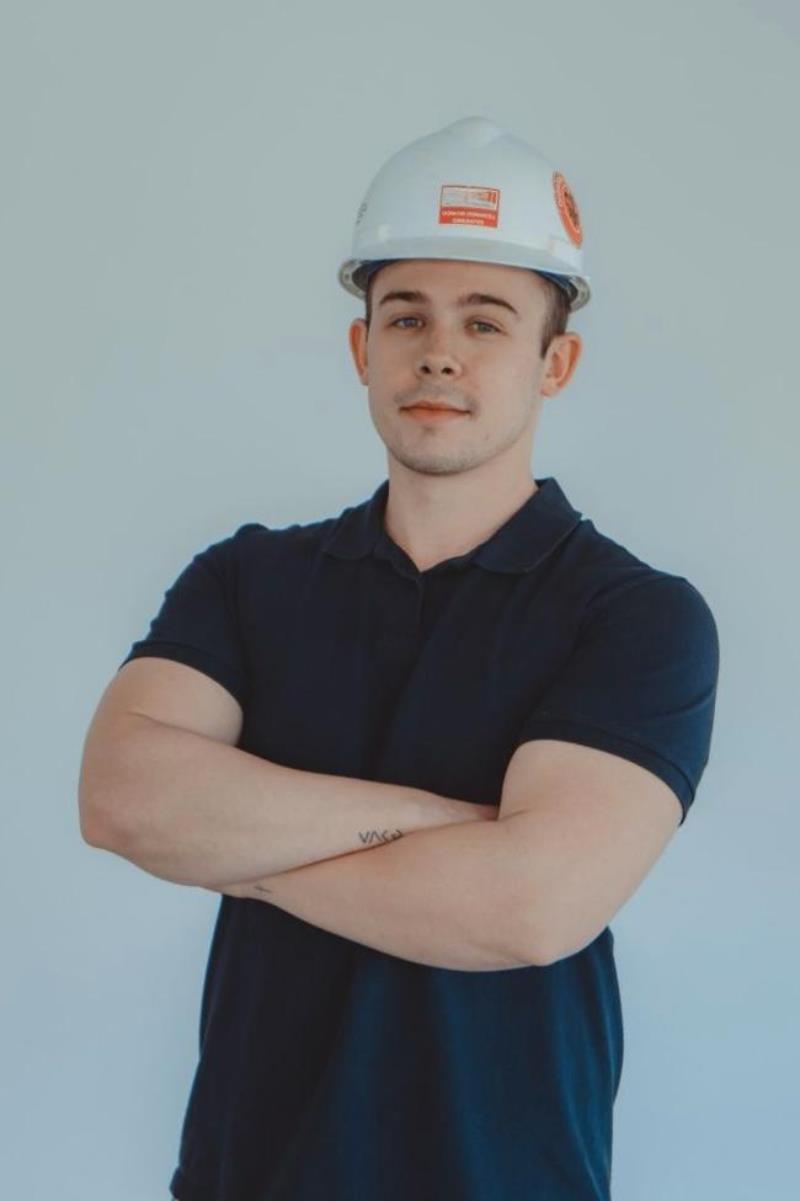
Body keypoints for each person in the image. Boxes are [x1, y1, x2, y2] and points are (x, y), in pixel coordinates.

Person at [80, 116, 720, 1200]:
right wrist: (441, 823)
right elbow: (121, 800)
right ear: (360, 348)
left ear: (554, 363)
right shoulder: (247, 580)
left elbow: (530, 908)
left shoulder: (635, 617)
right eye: (406, 315)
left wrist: (233, 849)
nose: (438, 351)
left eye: (485, 321)